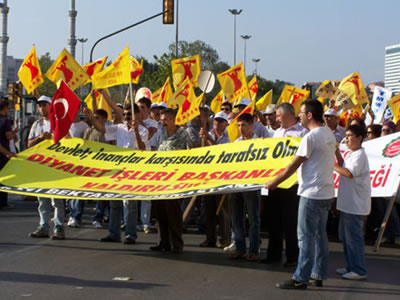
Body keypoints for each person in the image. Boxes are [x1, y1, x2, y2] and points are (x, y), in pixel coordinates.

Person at [265, 99, 336, 289]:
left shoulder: (310, 137)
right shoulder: (328, 133)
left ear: (310, 115)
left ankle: (301, 278)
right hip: (326, 193)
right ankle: (317, 274)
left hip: (311, 194)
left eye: (302, 113)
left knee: (305, 237)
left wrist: (273, 182)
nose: (300, 116)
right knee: (320, 237)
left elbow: (292, 166)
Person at [85, 89, 148, 245]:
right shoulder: (118, 128)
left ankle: (130, 235)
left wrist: (136, 132)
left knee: (130, 205)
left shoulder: (143, 130)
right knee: (114, 203)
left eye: (129, 114)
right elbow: (102, 129)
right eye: (125, 114)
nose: (126, 117)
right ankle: (114, 233)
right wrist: (91, 117)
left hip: (132, 172)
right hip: (117, 170)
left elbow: (142, 148)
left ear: (136, 115)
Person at [264, 103, 308, 267]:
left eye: (278, 116)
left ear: (289, 115)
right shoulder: (277, 133)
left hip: (293, 183)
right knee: (273, 220)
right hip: (276, 182)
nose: (276, 119)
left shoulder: (302, 133)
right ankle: (273, 254)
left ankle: (292, 257)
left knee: (291, 222)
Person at [150, 108, 192, 253]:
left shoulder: (183, 134)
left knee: (173, 213)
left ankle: (177, 243)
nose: (163, 122)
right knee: (160, 212)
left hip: (175, 179)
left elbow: (193, 151)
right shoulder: (160, 133)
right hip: (159, 179)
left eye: (166, 119)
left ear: (174, 120)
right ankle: (164, 241)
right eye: (162, 120)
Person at [334, 124, 371, 280]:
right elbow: (344, 165)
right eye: (346, 135)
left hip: (355, 205)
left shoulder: (360, 155)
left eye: (350, 136)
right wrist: (336, 152)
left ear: (359, 138)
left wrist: (329, 164)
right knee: (346, 238)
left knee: (353, 238)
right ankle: (351, 266)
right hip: (347, 203)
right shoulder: (352, 153)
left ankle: (359, 270)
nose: (346, 138)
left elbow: (349, 173)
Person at [28, 95, 66, 240]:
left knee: (56, 200)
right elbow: (29, 144)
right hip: (40, 167)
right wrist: (40, 138)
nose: (42, 108)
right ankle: (43, 227)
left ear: (51, 106)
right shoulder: (37, 125)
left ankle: (59, 228)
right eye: (40, 105)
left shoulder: (58, 123)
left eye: (44, 105)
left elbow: (66, 144)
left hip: (56, 166)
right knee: (42, 200)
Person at [229, 113, 261, 261]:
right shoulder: (235, 143)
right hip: (236, 184)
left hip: (252, 185)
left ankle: (254, 249)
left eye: (244, 125)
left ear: (251, 126)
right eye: (239, 125)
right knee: (236, 217)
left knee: (253, 218)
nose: (241, 128)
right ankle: (240, 248)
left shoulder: (260, 143)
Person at [199, 111, 231, 248]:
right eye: (216, 120)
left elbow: (222, 153)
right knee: (209, 209)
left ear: (226, 123)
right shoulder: (208, 133)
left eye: (220, 121)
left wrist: (209, 140)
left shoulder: (229, 136)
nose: (217, 123)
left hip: (223, 176)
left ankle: (225, 238)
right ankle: (210, 238)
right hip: (208, 176)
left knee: (224, 210)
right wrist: (204, 140)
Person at [83, 106, 110, 229]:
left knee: (106, 194)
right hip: (93, 166)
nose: (94, 120)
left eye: (97, 118)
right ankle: (97, 217)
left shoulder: (109, 130)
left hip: (107, 167)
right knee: (98, 194)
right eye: (94, 118)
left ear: (104, 119)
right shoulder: (89, 131)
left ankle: (104, 216)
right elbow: (84, 146)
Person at [67, 110, 89, 228]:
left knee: (78, 191)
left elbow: (85, 143)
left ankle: (76, 216)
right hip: (68, 163)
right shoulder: (66, 125)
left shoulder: (83, 126)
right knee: (70, 192)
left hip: (80, 162)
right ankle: (71, 213)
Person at [0, 100, 17, 208]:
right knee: (3, 178)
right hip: (3, 154)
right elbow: (8, 136)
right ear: (4, 108)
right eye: (8, 108)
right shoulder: (5, 121)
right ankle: (2, 202)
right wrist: (14, 133)